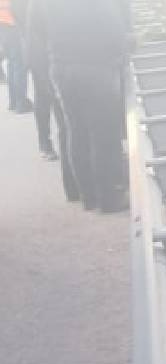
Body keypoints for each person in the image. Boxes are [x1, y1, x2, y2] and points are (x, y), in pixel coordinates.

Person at [27, 0, 128, 213]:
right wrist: (120, 51)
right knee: (103, 134)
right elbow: (114, 24)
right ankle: (108, 198)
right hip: (96, 65)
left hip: (62, 66)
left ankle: (88, 197)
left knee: (76, 130)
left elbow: (35, 25)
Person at [15, 0, 61, 162]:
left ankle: (55, 142)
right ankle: (46, 143)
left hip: (44, 44)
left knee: (49, 96)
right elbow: (18, 12)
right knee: (47, 96)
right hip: (39, 47)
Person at [0, 0, 32, 113]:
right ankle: (21, 103)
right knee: (19, 64)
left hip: (3, 22)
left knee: (11, 63)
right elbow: (19, 6)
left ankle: (13, 101)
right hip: (13, 24)